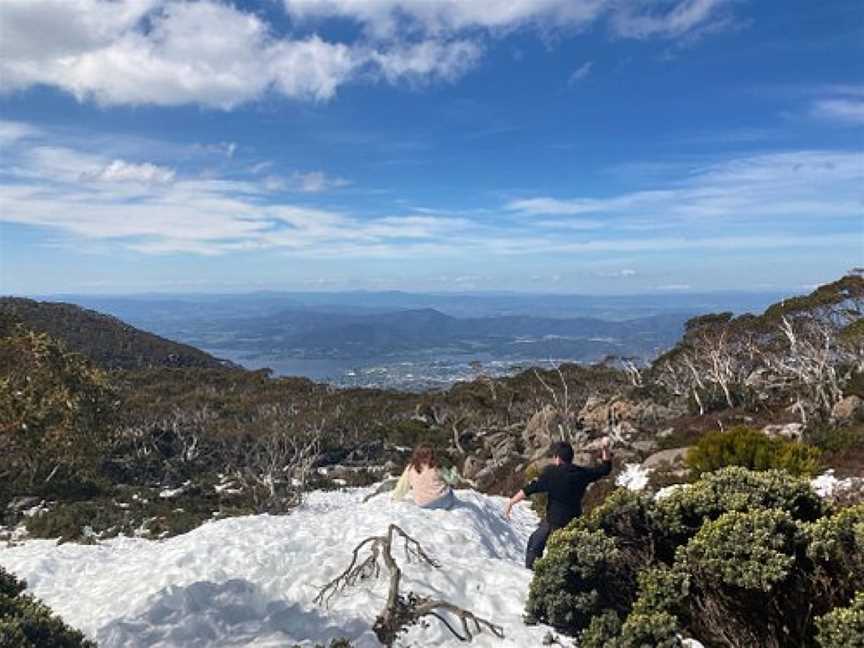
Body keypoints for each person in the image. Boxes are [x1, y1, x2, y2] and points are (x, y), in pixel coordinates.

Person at [504, 438, 613, 569]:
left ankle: (533, 573)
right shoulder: (582, 473)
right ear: (571, 458)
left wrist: (511, 502)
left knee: (535, 544)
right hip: (575, 523)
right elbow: (605, 469)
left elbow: (530, 489)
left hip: (553, 523)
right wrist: (605, 449)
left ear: (557, 458)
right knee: (570, 557)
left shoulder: (551, 473)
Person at [392, 445, 458, 510]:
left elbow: (403, 485)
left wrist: (395, 497)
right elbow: (452, 480)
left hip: (422, 503)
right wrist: (454, 469)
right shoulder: (437, 466)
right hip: (443, 500)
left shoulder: (410, 468)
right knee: (448, 490)